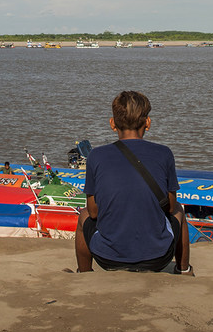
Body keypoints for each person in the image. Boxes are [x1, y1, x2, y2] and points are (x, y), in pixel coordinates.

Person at [75, 91, 192, 275]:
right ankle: (183, 270)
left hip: (107, 258)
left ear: (112, 124)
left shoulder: (96, 156)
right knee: (179, 211)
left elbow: (93, 211)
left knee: (83, 216)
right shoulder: (164, 153)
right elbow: (169, 207)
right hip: (158, 258)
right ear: (148, 123)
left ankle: (84, 273)